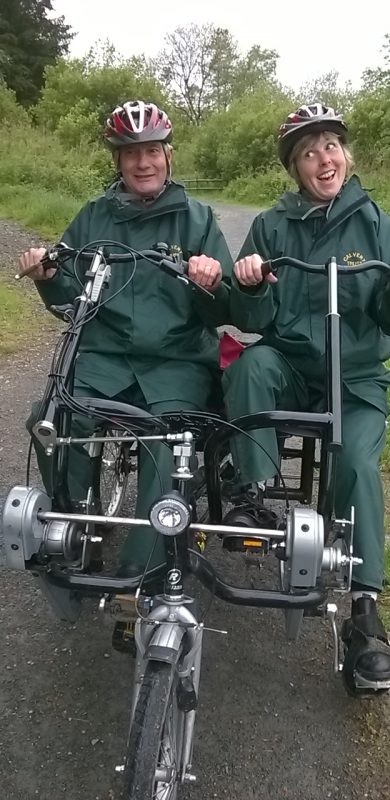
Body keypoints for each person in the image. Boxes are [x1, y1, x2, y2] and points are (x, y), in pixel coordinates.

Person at [222, 102, 390, 692]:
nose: (324, 159)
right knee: (248, 363)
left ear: (346, 155)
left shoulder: (374, 222)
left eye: (331, 146)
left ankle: (365, 615)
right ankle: (255, 494)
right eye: (310, 151)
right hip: (292, 364)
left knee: (359, 465)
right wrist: (251, 285)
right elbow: (253, 316)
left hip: (357, 377)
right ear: (294, 166)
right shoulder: (271, 224)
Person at [19, 99, 233, 580]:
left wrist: (211, 284)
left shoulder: (196, 219)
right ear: (117, 160)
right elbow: (70, 302)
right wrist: (49, 275)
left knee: (170, 440)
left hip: (176, 362)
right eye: (131, 152)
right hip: (105, 360)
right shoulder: (94, 216)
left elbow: (226, 311)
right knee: (50, 422)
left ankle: (145, 569)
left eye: (152, 150)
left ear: (168, 155)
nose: (143, 162)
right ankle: (73, 531)